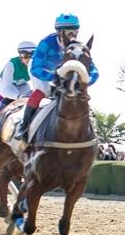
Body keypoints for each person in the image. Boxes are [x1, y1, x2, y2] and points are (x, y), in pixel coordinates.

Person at [15, 13, 99, 141]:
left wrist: (85, 82)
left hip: (66, 75)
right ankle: (24, 126)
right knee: (41, 92)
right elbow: (35, 68)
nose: (73, 35)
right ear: (59, 31)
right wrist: (53, 77)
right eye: (69, 32)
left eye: (75, 31)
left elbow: (95, 72)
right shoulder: (46, 43)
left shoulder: (78, 47)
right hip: (43, 70)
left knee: (80, 95)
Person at [0, 40, 37, 106]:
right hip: (5, 84)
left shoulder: (36, 65)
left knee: (28, 96)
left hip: (22, 84)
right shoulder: (11, 64)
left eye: (32, 56)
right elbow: (6, 89)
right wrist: (18, 97)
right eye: (25, 56)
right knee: (12, 97)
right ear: (20, 55)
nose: (29, 59)